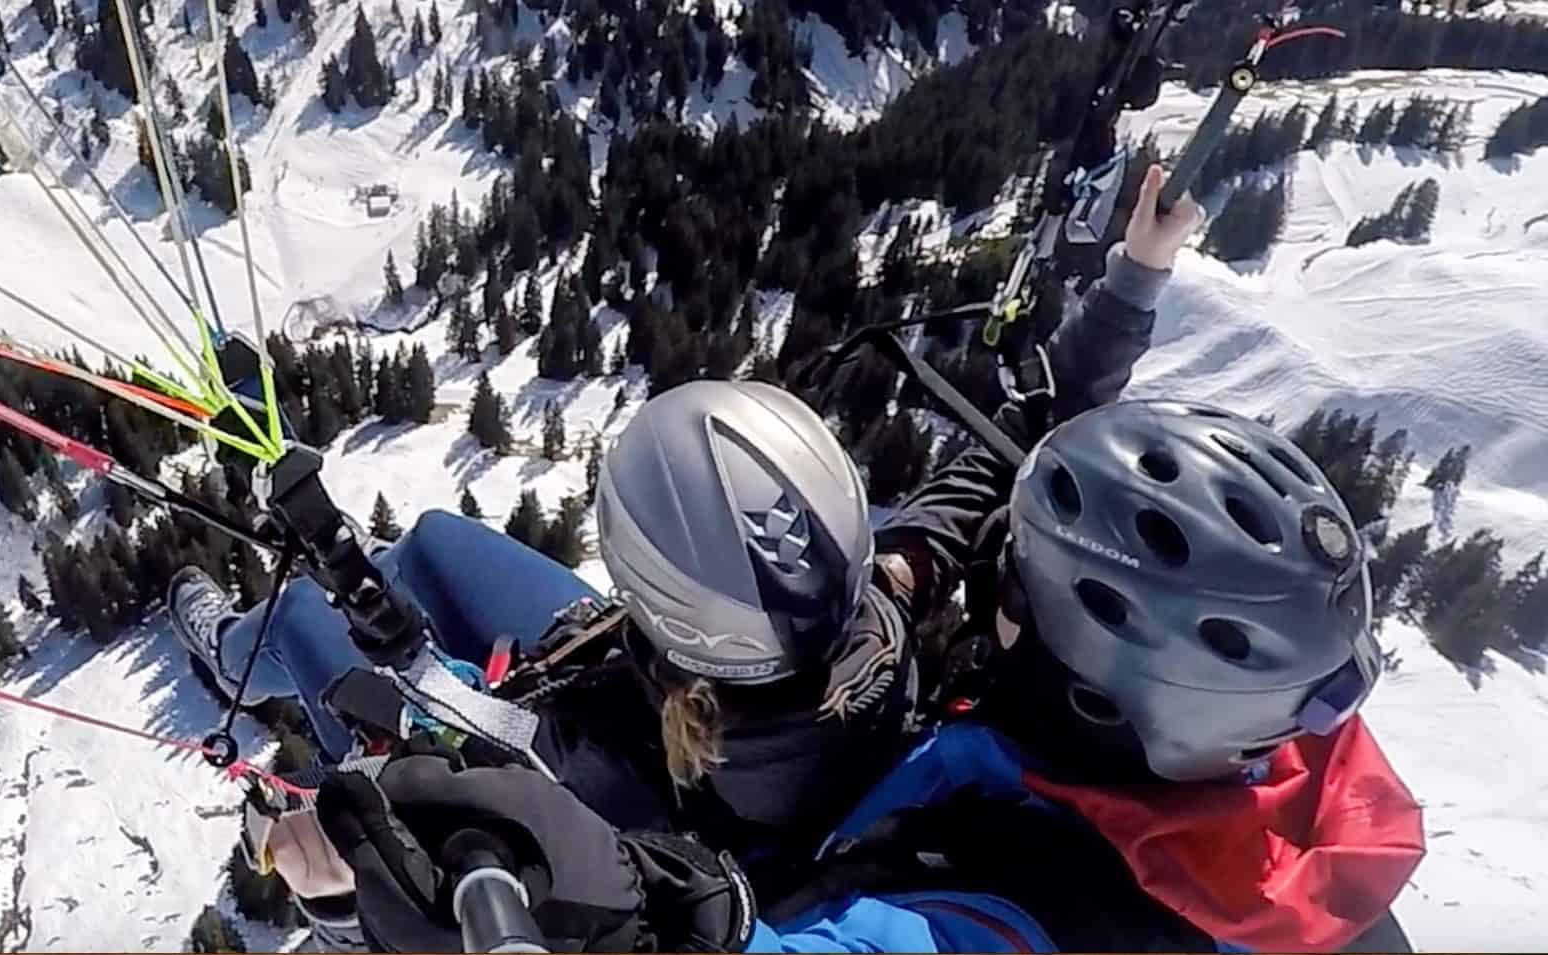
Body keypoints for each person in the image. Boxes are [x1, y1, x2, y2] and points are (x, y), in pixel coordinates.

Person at [177, 166, 1203, 896]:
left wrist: (326, 877)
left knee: (322, 625)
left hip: (560, 707)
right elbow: (1015, 442)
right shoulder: (873, 619)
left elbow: (458, 865)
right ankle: (254, 640)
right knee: (436, 544)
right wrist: (1133, 284)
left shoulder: (604, 766)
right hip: (623, 700)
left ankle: (232, 646)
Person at [269, 394, 1421, 954]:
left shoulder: (1048, 912)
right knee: (417, 544)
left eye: (1014, 587)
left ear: (1094, 679)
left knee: (339, 610)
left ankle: (234, 624)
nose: (987, 587)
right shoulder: (1250, 757)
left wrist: (616, 918)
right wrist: (1119, 293)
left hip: (681, 814)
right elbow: (954, 515)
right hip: (695, 766)